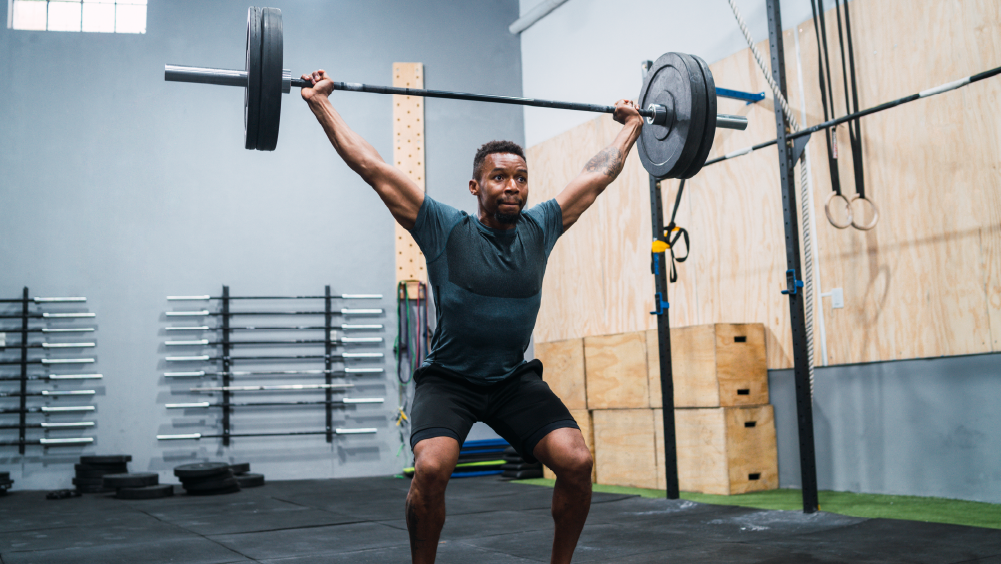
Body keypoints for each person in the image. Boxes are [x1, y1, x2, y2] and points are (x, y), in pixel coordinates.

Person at [301, 69, 643, 564]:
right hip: (451, 381)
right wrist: (320, 104)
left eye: (521, 178)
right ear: (475, 185)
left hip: (511, 380)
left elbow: (598, 175)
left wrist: (631, 125)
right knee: (433, 467)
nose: (513, 187)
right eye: (500, 177)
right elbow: (370, 166)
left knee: (576, 461)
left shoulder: (541, 226)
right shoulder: (444, 227)